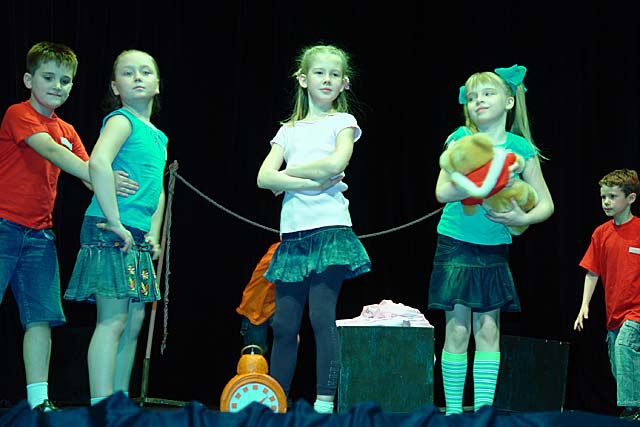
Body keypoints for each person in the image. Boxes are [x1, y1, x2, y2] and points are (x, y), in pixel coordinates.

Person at [0, 41, 138, 412]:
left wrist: (117, 184)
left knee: (41, 318)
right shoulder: (18, 114)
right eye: (48, 77)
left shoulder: (68, 129)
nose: (57, 86)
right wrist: (100, 173)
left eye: (65, 80)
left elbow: (92, 176)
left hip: (40, 236)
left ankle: (38, 400)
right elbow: (53, 152)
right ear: (28, 80)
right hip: (4, 226)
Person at [428, 65, 554, 415]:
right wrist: (485, 181)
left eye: (487, 94)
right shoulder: (461, 140)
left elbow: (546, 204)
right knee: (457, 329)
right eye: (472, 97)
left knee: (488, 328)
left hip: (494, 248)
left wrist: (522, 218)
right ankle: (454, 413)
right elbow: (442, 192)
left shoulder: (520, 148)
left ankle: (483, 413)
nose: (478, 101)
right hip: (455, 243)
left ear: (509, 101)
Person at [256, 44, 371, 414]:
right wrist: (310, 180)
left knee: (322, 318)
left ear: (344, 84)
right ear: (303, 79)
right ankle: (277, 400)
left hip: (330, 230)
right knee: (284, 325)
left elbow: (336, 163)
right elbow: (263, 177)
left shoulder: (343, 122)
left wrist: (288, 177)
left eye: (334, 74)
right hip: (293, 235)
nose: (327, 79)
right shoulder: (288, 131)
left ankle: (324, 403)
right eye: (319, 72)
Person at [63, 49, 167, 406]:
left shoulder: (159, 137)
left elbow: (159, 191)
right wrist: (115, 220)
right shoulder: (121, 120)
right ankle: (101, 404)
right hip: (110, 228)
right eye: (128, 72)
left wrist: (153, 234)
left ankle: (120, 401)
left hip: (136, 234)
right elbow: (98, 162)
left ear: (157, 84)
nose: (137, 77)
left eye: (145, 72)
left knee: (134, 320)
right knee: (113, 319)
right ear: (115, 86)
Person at [573, 169, 640, 421]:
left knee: (624, 347)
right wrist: (584, 305)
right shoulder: (601, 233)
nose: (606, 202)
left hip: (636, 311)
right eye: (603, 197)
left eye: (612, 196)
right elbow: (592, 271)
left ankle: (632, 411)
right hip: (614, 314)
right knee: (619, 365)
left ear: (630, 198)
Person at [236, 242, 280, 356]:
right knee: (255, 357)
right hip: (254, 309)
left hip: (272, 307)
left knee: (289, 339)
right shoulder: (280, 252)